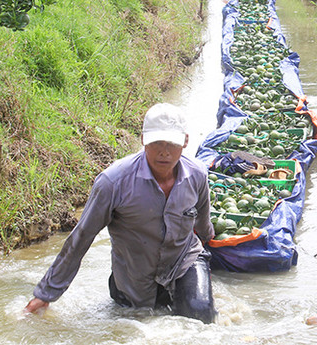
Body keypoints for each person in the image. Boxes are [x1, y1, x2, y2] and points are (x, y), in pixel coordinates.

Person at [24, 103, 217, 323]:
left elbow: (203, 224)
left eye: (172, 143)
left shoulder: (197, 175)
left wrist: (213, 241)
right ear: (144, 139)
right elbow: (81, 237)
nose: (164, 151)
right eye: (157, 142)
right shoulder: (113, 183)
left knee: (200, 315)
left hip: (182, 261)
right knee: (137, 323)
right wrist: (46, 294)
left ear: (185, 142)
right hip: (135, 277)